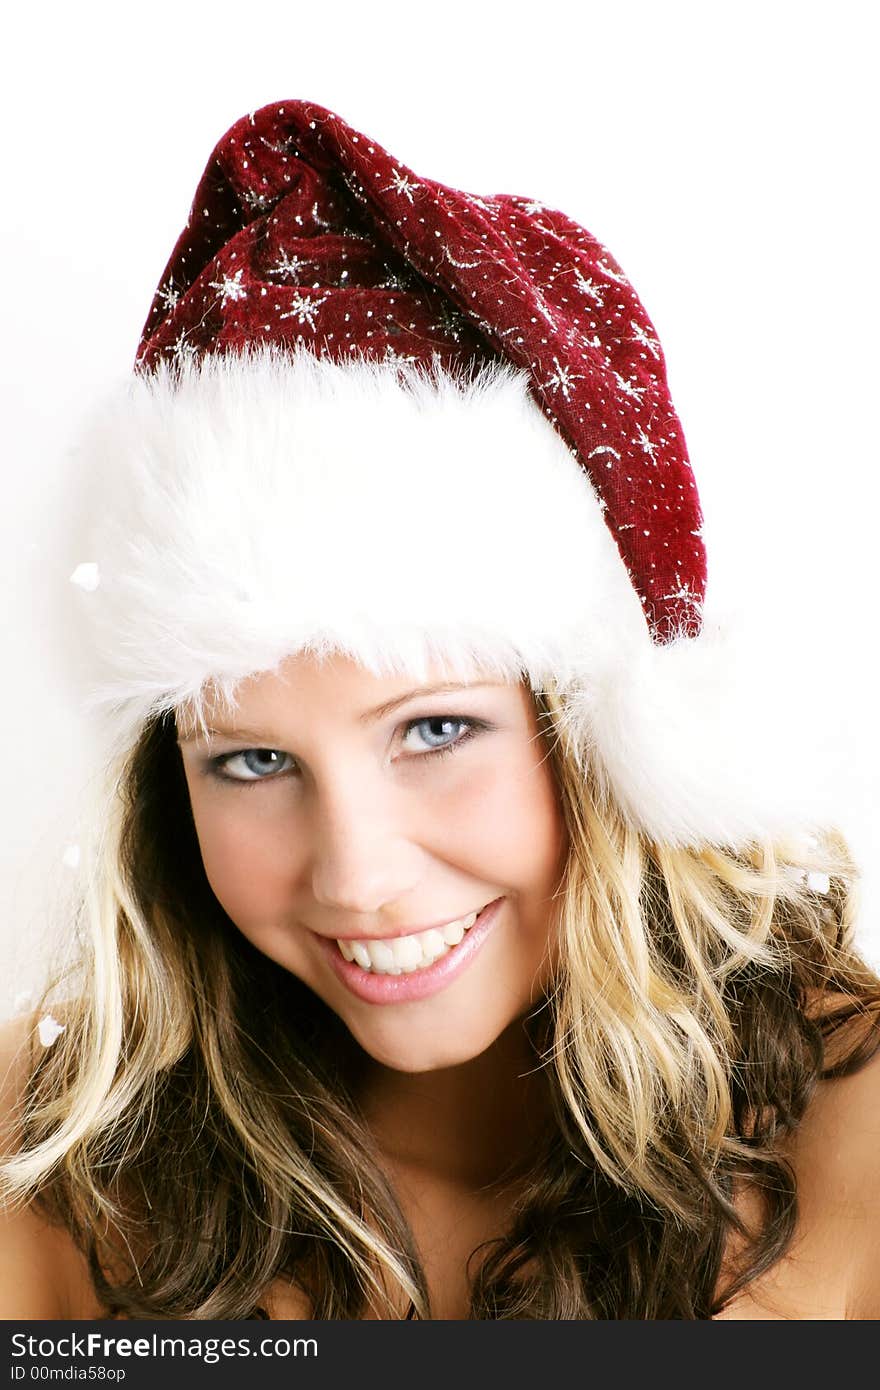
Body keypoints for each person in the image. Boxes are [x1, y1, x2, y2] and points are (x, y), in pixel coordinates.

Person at [1, 98, 878, 1322]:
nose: (355, 878)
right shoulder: (43, 1151)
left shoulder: (859, 1143)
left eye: (433, 730)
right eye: (251, 760)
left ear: (603, 732)